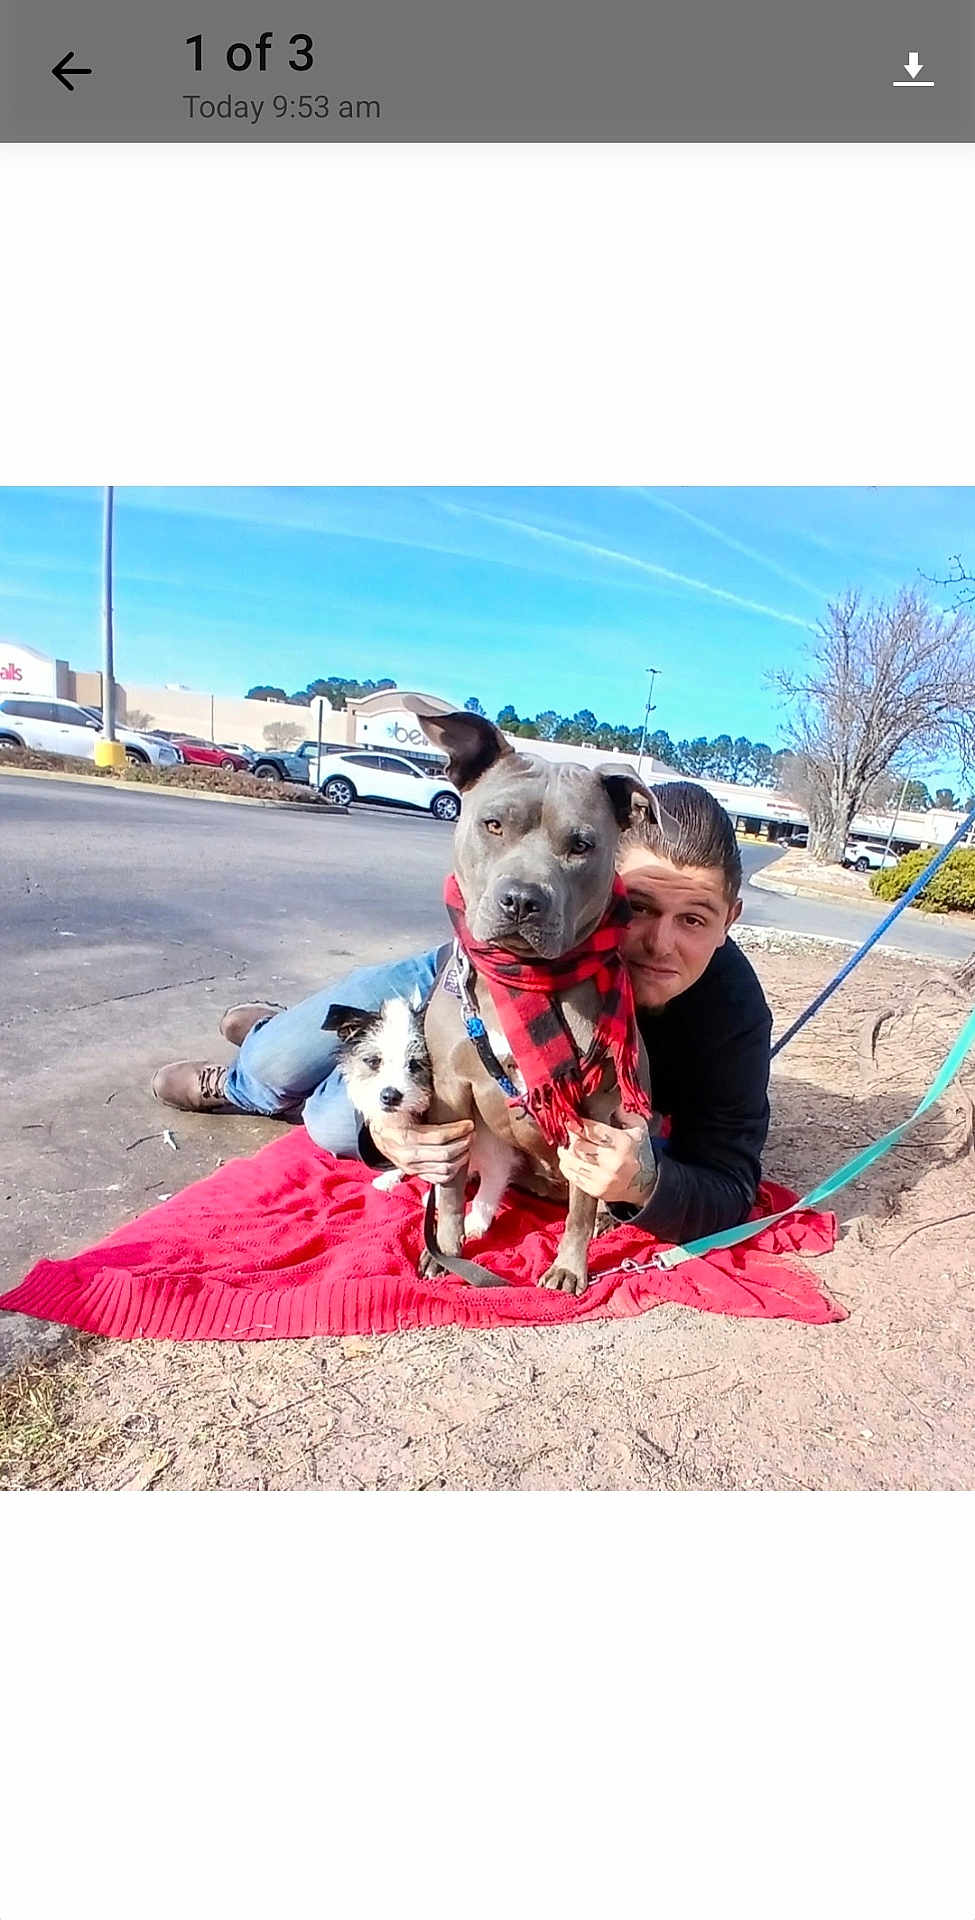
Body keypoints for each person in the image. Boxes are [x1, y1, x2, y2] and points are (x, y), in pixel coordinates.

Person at [151, 782, 772, 1245]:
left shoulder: (731, 1015)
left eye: (694, 919)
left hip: (506, 1078)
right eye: (637, 907)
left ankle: (304, 1061)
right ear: (604, 883)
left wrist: (643, 1184)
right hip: (464, 985)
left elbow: (730, 1181)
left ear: (730, 921)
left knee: (337, 1125)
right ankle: (262, 1051)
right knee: (276, 1061)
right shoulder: (534, 932)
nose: (660, 944)